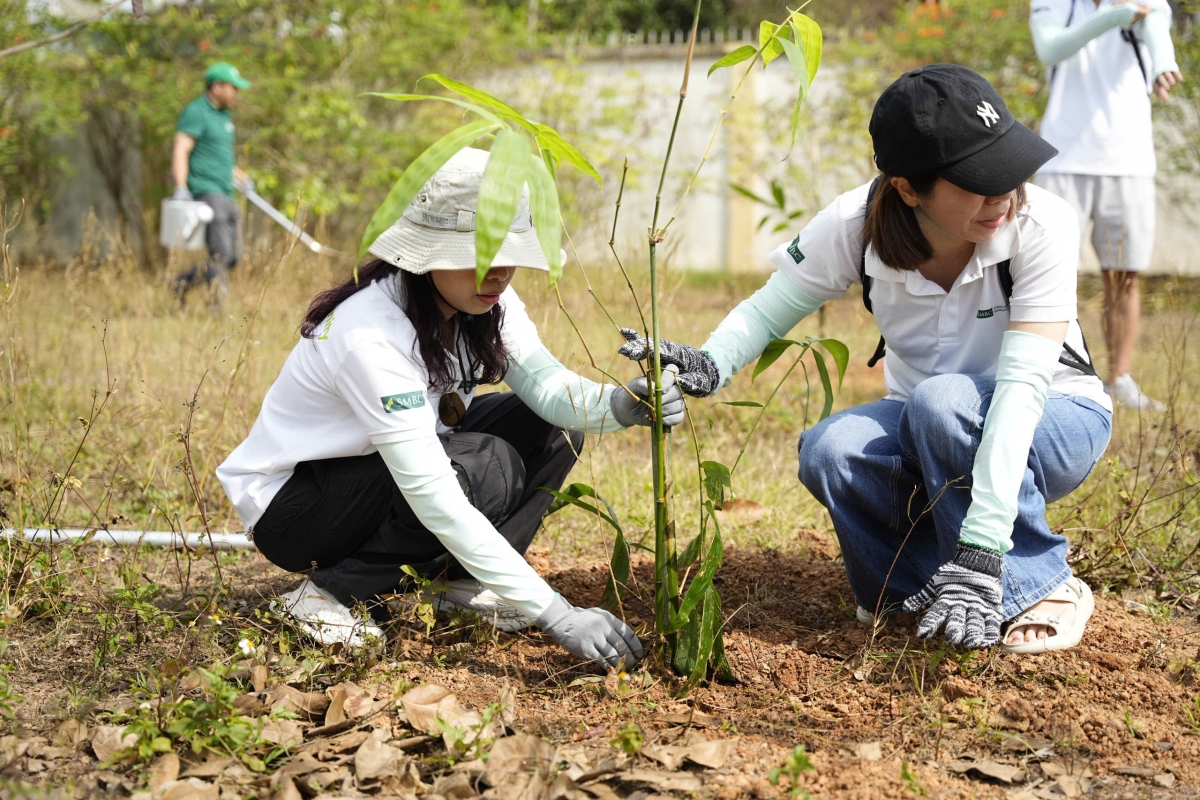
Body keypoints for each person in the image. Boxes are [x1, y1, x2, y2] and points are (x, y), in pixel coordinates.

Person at [618, 65, 1113, 653]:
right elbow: (768, 310)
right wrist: (708, 364)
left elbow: (1022, 389)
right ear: (907, 187)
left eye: (1008, 167)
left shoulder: (1040, 223)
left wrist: (982, 546)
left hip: (1054, 416)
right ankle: (914, 590)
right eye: (978, 180)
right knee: (831, 450)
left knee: (941, 403)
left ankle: (1033, 584)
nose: (1003, 195)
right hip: (929, 422)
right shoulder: (855, 224)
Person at [217, 148, 681, 669]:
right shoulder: (371, 333)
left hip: (376, 473)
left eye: (510, 255)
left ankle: (460, 582)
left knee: (552, 427)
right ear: (428, 252)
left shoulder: (484, 304)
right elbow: (434, 492)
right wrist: (556, 612)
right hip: (300, 509)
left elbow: (554, 393)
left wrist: (622, 404)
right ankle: (331, 594)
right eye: (479, 254)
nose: (500, 272)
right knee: (484, 465)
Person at [1030, 0, 1182, 410]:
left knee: (1123, 277)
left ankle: (1119, 379)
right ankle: (1047, 377)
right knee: (1046, 275)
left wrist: (1161, 63)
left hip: (1128, 161)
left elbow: (1157, 29)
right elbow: (1050, 49)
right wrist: (1114, 16)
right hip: (1063, 158)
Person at [171, 62, 252, 309]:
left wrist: (239, 177)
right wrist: (181, 187)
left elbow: (217, 156)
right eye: (232, 87)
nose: (236, 93)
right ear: (216, 87)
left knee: (234, 256)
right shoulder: (197, 111)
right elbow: (181, 149)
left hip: (226, 193)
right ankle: (215, 310)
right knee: (220, 254)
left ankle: (181, 283)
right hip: (207, 192)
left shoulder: (223, 117)